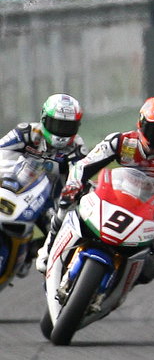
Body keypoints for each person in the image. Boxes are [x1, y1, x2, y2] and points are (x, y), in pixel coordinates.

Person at [57, 97, 154, 280]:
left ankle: (125, 282)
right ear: (141, 123)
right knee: (67, 205)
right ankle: (49, 249)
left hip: (150, 218)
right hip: (111, 200)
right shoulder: (121, 141)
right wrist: (74, 185)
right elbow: (83, 166)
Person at [0, 94, 86, 276]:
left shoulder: (77, 147)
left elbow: (80, 173)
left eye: (67, 127)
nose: (61, 132)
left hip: (49, 200)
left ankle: (28, 253)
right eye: (57, 125)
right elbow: (2, 150)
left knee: (61, 240)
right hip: (15, 188)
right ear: (44, 119)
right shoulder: (26, 132)